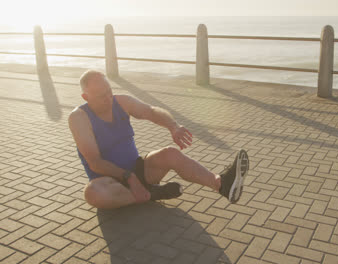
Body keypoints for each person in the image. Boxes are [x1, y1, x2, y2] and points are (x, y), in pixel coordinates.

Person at [68, 70, 249, 209]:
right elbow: (94, 162)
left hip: (139, 171)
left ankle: (221, 184)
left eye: (109, 91)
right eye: (101, 96)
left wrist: (173, 127)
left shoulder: (121, 102)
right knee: (92, 193)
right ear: (85, 97)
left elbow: (151, 111)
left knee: (171, 153)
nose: (108, 98)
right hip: (109, 183)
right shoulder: (79, 118)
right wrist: (129, 178)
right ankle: (151, 194)